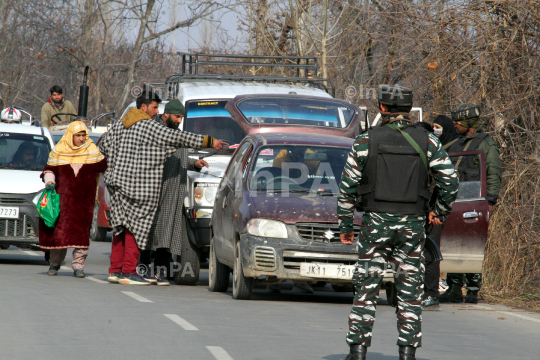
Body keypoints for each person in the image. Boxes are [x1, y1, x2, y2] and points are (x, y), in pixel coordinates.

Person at [337, 85, 458, 360]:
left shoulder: (366, 140)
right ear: (409, 110)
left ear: (381, 108)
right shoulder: (427, 141)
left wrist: (346, 227)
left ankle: (357, 352)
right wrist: (438, 211)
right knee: (410, 291)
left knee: (366, 287)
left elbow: (347, 188)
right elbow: (450, 180)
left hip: (374, 226)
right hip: (412, 227)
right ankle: (407, 353)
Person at [98, 91, 226, 286]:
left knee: (120, 228)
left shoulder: (118, 126)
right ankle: (129, 272)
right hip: (139, 188)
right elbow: (181, 138)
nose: (157, 112)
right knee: (134, 228)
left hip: (117, 185)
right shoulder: (149, 127)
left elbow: (103, 149)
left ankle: (115, 270)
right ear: (143, 108)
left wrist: (115, 170)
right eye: (155, 108)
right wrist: (210, 142)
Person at [139, 99, 210, 286]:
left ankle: (161, 271)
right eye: (177, 117)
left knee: (168, 234)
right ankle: (143, 269)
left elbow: (178, 159)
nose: (179, 120)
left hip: (174, 193)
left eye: (181, 118)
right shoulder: (155, 131)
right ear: (166, 114)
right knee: (151, 233)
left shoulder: (177, 135)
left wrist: (193, 163)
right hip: (156, 192)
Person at [439, 104, 501, 304]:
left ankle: (473, 290)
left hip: (476, 203)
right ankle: (455, 288)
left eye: (458, 122)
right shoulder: (455, 144)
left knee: (474, 243)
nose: (455, 125)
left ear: (468, 124)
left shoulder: (486, 144)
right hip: (455, 202)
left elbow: (493, 172)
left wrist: (489, 201)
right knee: (455, 242)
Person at [39, 121, 107, 277]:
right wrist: (50, 181)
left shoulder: (93, 152)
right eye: (78, 135)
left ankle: (78, 266)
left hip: (84, 204)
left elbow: (105, 168)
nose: (81, 139)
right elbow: (49, 170)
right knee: (60, 235)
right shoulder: (59, 151)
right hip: (62, 203)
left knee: (81, 236)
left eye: (84, 135)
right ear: (71, 135)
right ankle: (55, 264)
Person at [421, 114, 460, 311]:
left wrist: (437, 211)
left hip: (434, 212)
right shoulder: (431, 152)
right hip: (424, 211)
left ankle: (431, 294)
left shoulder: (442, 154)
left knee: (430, 253)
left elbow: (446, 184)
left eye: (438, 127)